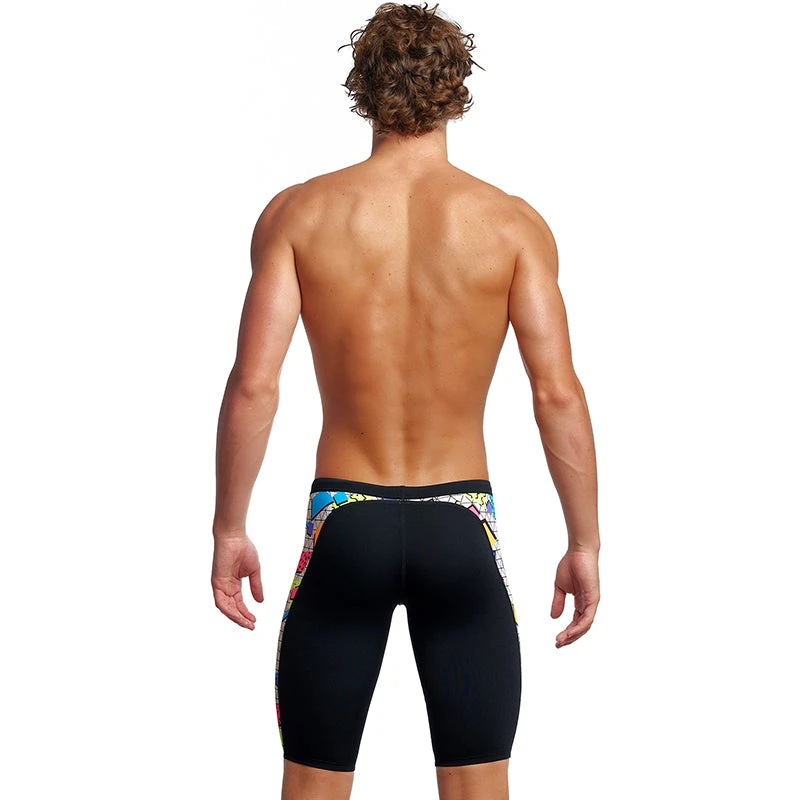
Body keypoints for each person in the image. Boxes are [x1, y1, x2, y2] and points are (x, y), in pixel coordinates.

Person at [211, 3, 600, 799]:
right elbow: (555, 392)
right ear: (458, 89)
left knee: (312, 783)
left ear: (363, 89)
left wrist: (228, 527)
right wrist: (584, 542)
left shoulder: (299, 214)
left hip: (343, 521)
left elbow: (255, 383)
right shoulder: (512, 226)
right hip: (460, 522)